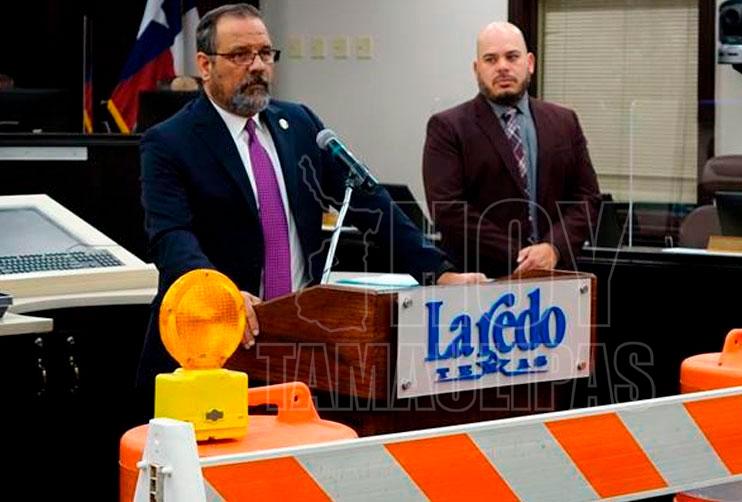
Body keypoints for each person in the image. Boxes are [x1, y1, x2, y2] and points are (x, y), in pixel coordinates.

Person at [138, 4, 484, 389]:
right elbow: (171, 237)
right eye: (240, 55)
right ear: (205, 65)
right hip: (213, 343)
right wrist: (221, 295)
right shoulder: (170, 142)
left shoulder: (300, 123)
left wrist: (438, 273)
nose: (258, 66)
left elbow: (371, 205)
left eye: (265, 53)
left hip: (298, 343)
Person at [422, 21, 601, 278]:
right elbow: (447, 209)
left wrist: (553, 248)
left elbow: (587, 198)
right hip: (480, 282)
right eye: (491, 59)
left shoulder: (565, 122)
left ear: (530, 63)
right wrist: (524, 256)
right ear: (477, 69)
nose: (502, 66)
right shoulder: (448, 127)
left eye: (512, 57)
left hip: (556, 278)